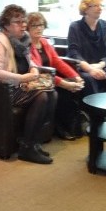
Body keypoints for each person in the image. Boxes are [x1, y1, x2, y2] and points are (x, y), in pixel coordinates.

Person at [0, 5, 57, 164]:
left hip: (14, 86)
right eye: (17, 22)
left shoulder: (22, 40)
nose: (23, 25)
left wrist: (34, 69)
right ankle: (27, 148)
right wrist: (22, 78)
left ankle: (33, 142)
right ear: (6, 25)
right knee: (41, 97)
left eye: (24, 21)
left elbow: (29, 61)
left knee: (52, 94)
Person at [26, 12, 85, 140]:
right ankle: (60, 128)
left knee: (75, 86)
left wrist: (76, 76)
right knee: (63, 91)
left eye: (41, 25)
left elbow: (57, 62)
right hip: (39, 80)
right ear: (27, 29)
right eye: (34, 26)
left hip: (50, 79)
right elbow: (41, 71)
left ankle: (72, 126)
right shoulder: (27, 46)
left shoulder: (44, 42)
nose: (39, 28)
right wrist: (64, 83)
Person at [66, 0, 106, 94]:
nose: (100, 8)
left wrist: (100, 65)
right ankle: (93, 104)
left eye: (101, 5)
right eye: (96, 5)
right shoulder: (75, 27)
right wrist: (90, 69)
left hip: (100, 66)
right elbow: (73, 52)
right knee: (88, 78)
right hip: (83, 68)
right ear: (85, 9)